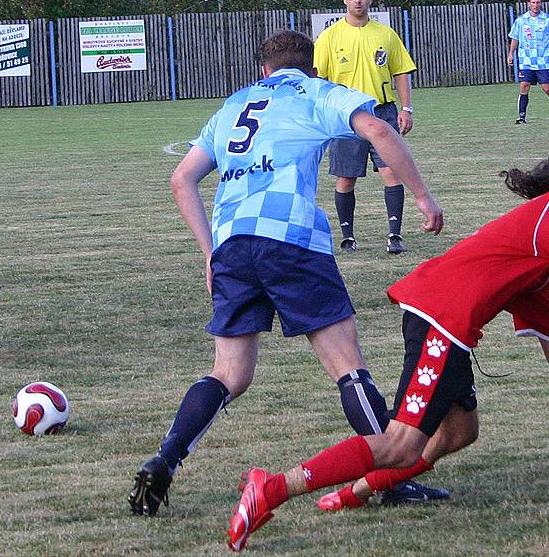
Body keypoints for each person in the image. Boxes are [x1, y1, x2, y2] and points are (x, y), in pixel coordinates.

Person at [226, 148, 549, 552]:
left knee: (459, 433)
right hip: (440, 321)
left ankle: (352, 493)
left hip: (447, 325)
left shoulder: (532, 260)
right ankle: (273, 487)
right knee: (400, 445)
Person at [127, 30, 445, 518]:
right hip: (290, 238)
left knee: (229, 372)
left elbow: (181, 179)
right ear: (312, 67)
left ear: (263, 70)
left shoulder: (235, 103)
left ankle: (165, 458)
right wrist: (423, 196)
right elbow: (381, 131)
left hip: (233, 244)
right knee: (347, 363)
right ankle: (389, 479)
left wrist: (210, 252)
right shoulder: (315, 91)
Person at [315, 0, 417, 254]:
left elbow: (401, 72)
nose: (358, 0)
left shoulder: (386, 34)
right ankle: (347, 236)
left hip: (383, 112)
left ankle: (394, 235)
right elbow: (318, 79)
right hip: (345, 115)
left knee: (390, 172)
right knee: (346, 178)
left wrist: (406, 108)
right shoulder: (329, 37)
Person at [507, 0, 549, 124]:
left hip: (543, 60)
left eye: (538, 2)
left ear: (541, 3)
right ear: (529, 3)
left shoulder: (548, 20)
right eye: (533, 2)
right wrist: (511, 53)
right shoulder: (521, 21)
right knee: (524, 86)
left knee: (546, 88)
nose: (535, 5)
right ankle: (521, 116)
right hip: (526, 60)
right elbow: (515, 38)